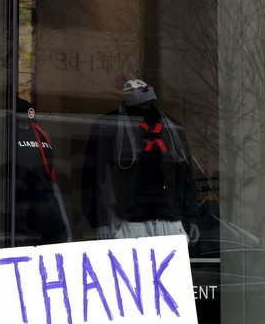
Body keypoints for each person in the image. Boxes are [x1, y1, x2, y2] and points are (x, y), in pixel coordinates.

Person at [81, 78, 199, 242]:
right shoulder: (109, 125)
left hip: (168, 221)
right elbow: (92, 177)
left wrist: (191, 217)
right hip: (133, 223)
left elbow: (186, 176)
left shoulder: (172, 126)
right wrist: (99, 221)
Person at [14, 98, 72, 246]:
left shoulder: (43, 135)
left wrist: (65, 223)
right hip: (24, 219)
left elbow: (52, 180)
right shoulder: (9, 136)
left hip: (50, 217)